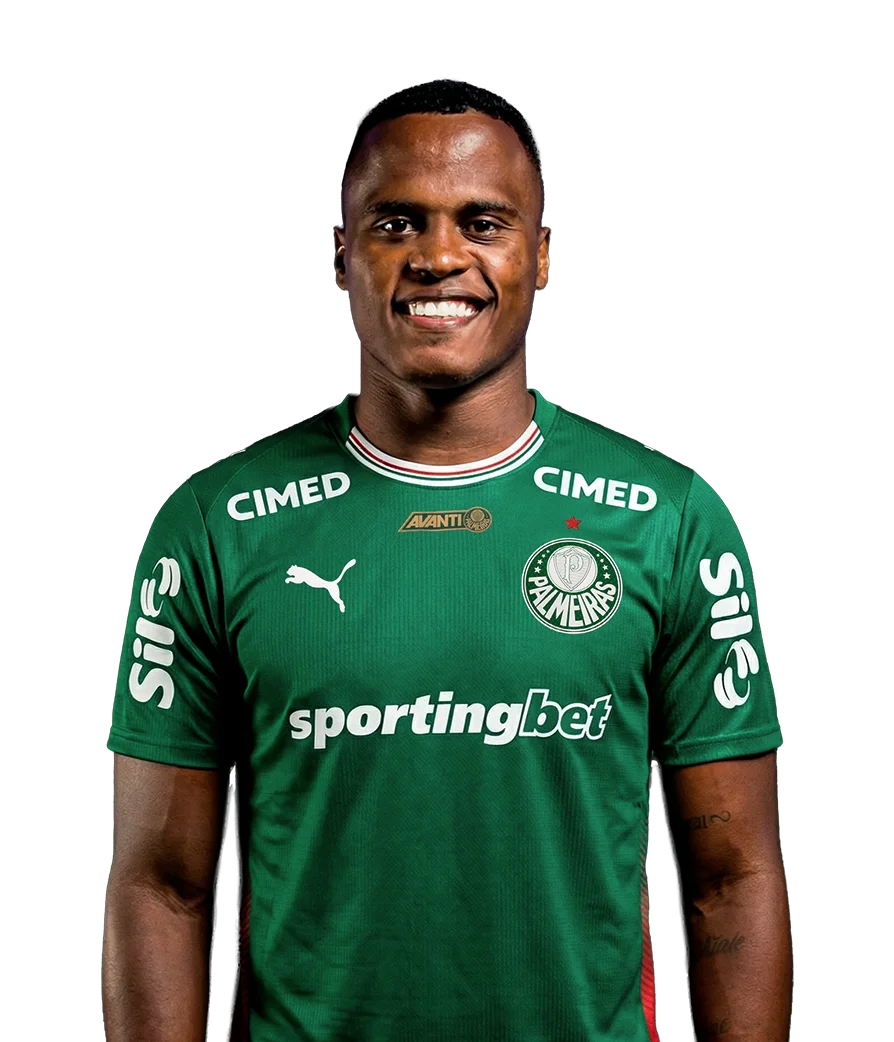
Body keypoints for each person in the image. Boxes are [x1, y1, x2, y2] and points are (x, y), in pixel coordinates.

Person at [103, 80, 791, 1042]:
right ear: (339, 259)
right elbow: (161, 885)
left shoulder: (670, 521)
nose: (437, 257)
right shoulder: (216, 525)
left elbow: (732, 878)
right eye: (396, 223)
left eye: (483, 222)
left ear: (539, 257)